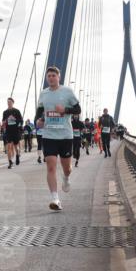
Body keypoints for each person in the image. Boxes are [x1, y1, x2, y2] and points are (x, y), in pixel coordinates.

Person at [35, 66, 80, 211]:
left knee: (67, 168)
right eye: (49, 76)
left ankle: (66, 178)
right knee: (51, 166)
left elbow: (78, 109)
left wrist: (65, 110)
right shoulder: (43, 94)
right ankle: (55, 198)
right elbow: (40, 112)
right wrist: (38, 121)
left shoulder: (67, 92)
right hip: (49, 135)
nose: (51, 78)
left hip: (65, 135)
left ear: (58, 77)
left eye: (54, 75)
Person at [1, 97, 23, 169]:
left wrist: (15, 119)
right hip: (8, 131)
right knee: (9, 146)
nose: (9, 103)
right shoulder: (5, 112)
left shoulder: (16, 111)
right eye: (8, 102)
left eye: (10, 102)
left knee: (16, 146)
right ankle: (10, 162)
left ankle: (17, 155)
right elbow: (3, 121)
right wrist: (4, 122)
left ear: (13, 103)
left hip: (15, 131)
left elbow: (21, 121)